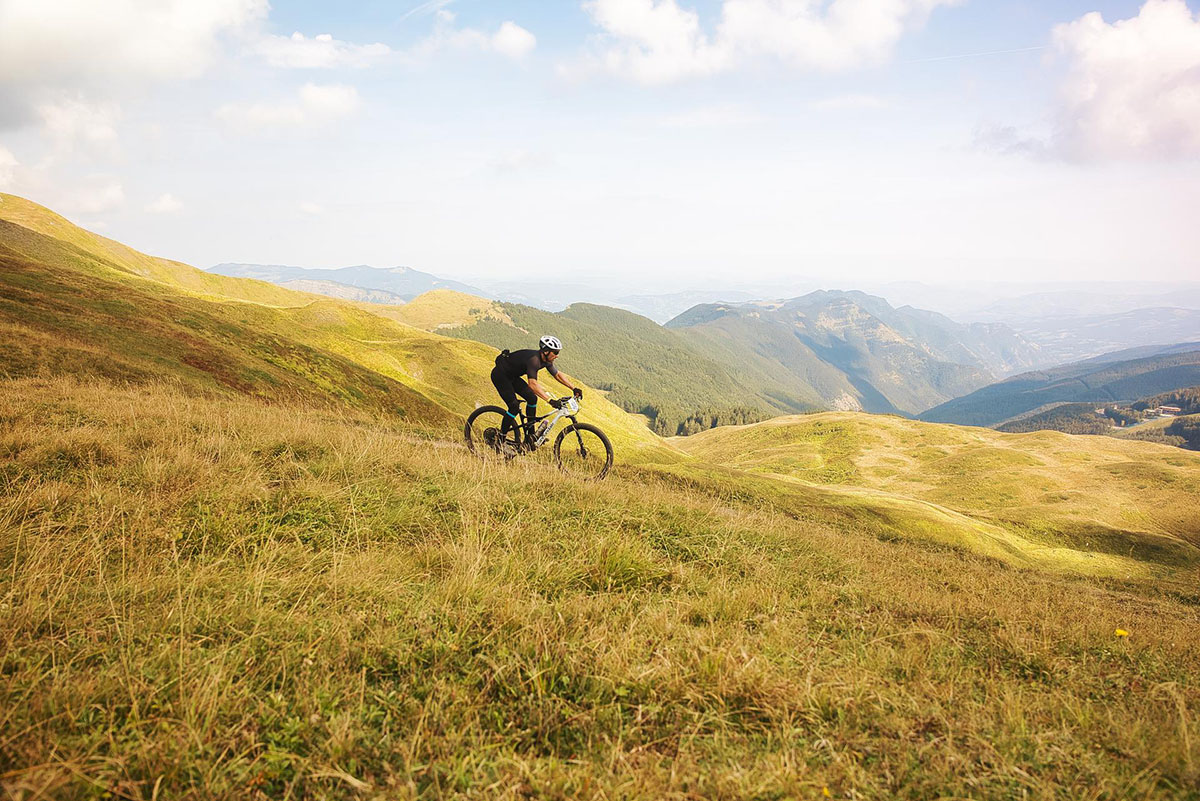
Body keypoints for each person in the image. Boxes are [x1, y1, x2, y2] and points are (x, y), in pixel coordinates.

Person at [491, 335, 583, 445]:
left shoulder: (547, 360)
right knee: (514, 407)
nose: (557, 356)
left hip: (512, 376)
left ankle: (531, 436)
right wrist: (550, 400)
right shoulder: (533, 360)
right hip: (500, 376)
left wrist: (573, 388)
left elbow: (557, 375)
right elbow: (533, 384)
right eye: (556, 352)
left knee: (532, 398)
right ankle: (500, 439)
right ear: (546, 352)